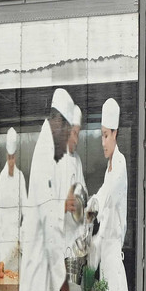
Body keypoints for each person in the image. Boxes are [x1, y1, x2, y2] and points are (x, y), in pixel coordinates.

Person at [17, 88, 75, 291]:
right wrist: (63, 283)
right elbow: (51, 227)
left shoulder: (46, 152)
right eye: (67, 131)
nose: (66, 140)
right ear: (59, 121)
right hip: (38, 287)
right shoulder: (44, 159)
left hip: (38, 282)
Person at [86, 98, 128, 291]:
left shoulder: (119, 164)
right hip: (105, 263)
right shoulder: (108, 168)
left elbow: (106, 192)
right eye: (101, 135)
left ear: (115, 134)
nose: (102, 142)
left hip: (113, 262)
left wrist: (92, 206)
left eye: (105, 135)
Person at [0, 127, 28, 273]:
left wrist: (21, 236)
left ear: (16, 157)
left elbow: (26, 211)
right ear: (6, 156)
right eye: (9, 157)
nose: (10, 161)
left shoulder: (20, 177)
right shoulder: (2, 179)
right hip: (3, 244)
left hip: (16, 242)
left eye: (13, 157)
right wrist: (0, 257)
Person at [59, 103, 87, 255]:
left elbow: (83, 194)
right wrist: (63, 206)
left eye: (78, 133)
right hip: (59, 244)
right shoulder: (54, 160)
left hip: (74, 243)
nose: (76, 140)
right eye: (74, 133)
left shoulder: (77, 160)